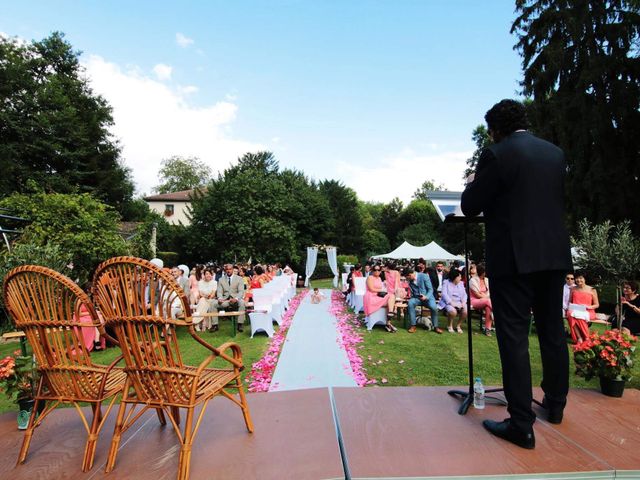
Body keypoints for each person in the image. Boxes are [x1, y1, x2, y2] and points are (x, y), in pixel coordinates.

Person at [461, 99, 572, 449]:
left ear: (496, 129)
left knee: (514, 336)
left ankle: (521, 424)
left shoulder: (498, 154)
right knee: (553, 332)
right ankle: (555, 406)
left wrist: (475, 181)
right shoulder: (554, 154)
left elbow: (470, 205)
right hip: (553, 255)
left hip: (514, 258)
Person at [404, 267, 443, 334]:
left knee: (434, 307)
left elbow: (430, 289)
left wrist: (426, 297)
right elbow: (412, 291)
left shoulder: (424, 276)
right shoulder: (410, 281)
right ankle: (413, 325)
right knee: (410, 303)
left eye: (407, 277)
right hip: (417, 298)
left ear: (410, 275)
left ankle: (436, 326)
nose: (407, 279)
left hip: (428, 297)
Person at [566, 272, 599, 343]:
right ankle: (579, 338)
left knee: (578, 316)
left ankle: (586, 338)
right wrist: (571, 306)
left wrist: (588, 306)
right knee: (570, 313)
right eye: (577, 278)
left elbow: (597, 305)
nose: (578, 280)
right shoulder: (572, 289)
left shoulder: (592, 289)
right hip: (575, 310)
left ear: (585, 279)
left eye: (580, 278)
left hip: (588, 311)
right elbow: (569, 302)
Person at [214, 263, 246, 332]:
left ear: (233, 270)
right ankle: (215, 325)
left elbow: (241, 291)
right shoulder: (221, 279)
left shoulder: (239, 279)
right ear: (225, 270)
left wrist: (236, 298)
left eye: (230, 269)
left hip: (235, 300)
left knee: (242, 302)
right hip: (225, 300)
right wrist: (219, 298)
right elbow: (219, 291)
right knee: (213, 303)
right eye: (227, 269)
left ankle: (240, 324)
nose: (228, 271)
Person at [364, 265, 396, 332]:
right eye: (375, 270)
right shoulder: (370, 277)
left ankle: (389, 318)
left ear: (380, 271)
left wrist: (384, 288)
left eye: (378, 270)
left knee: (391, 297)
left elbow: (381, 288)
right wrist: (382, 291)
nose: (377, 271)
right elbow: (371, 289)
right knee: (391, 298)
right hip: (371, 296)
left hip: (378, 296)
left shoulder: (379, 278)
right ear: (372, 271)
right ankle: (389, 320)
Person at [439, 269, 468, 333]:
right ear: (455, 277)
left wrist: (463, 302)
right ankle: (449, 325)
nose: (461, 278)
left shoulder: (461, 283)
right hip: (448, 302)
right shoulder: (446, 282)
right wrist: (452, 303)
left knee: (465, 311)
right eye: (459, 276)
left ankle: (458, 326)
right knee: (453, 312)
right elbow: (444, 294)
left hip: (459, 302)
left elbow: (464, 294)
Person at [470, 263, 493, 336]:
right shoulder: (473, 280)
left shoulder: (486, 280)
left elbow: (489, 292)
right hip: (474, 300)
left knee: (488, 307)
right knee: (488, 301)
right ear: (482, 272)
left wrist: (484, 295)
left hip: (486, 301)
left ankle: (487, 329)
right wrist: (485, 296)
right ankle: (497, 314)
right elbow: (477, 294)